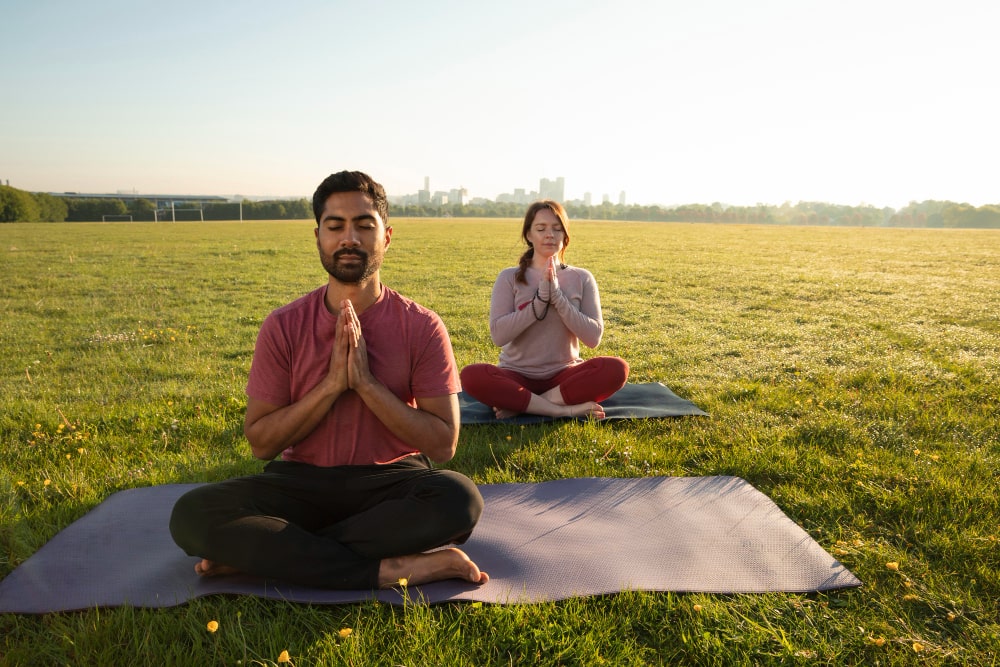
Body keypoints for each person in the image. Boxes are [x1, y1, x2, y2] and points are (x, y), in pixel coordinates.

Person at [169, 171, 488, 590]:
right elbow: (262, 443)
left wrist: (367, 385)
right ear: (317, 236)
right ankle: (390, 569)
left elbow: (442, 445)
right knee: (191, 514)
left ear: (386, 237)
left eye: (364, 226)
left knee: (459, 500)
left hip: (390, 481)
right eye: (335, 226)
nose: (349, 238)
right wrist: (332, 386)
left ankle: (270, 556)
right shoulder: (283, 325)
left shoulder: (422, 326)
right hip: (300, 484)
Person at [460, 200, 629, 420]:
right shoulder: (509, 277)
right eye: (541, 229)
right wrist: (539, 302)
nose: (549, 234)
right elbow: (498, 336)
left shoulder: (582, 277)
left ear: (565, 236)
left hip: (564, 376)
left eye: (557, 229)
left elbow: (593, 337)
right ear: (529, 235)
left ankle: (524, 404)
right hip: (516, 375)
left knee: (616, 368)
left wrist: (558, 298)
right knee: (472, 376)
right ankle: (560, 409)